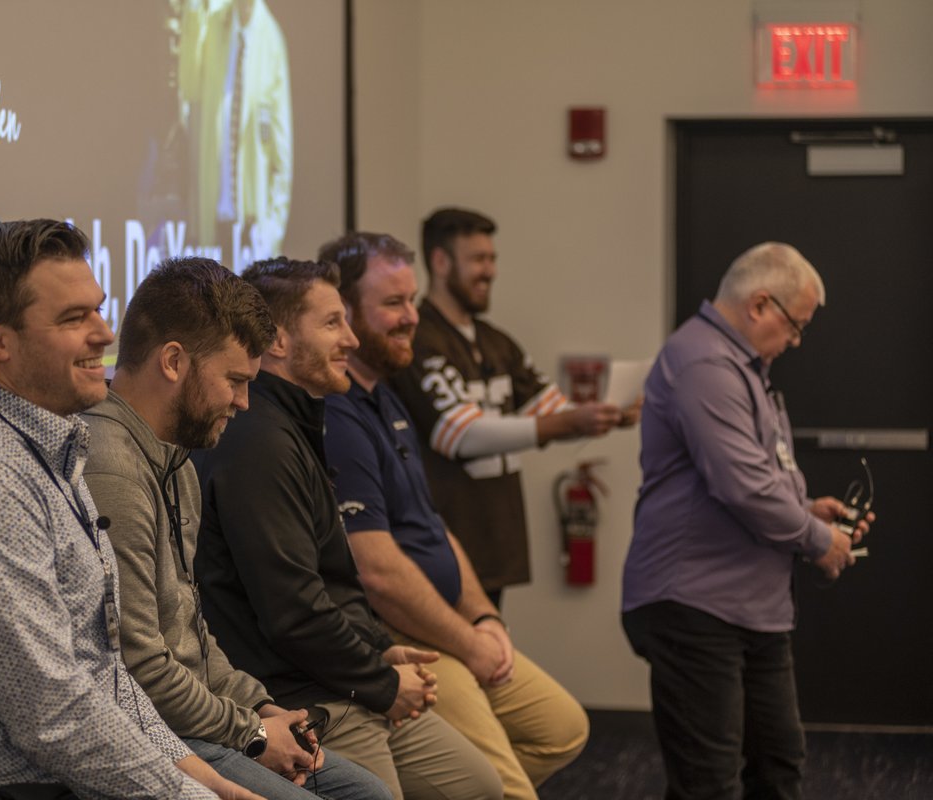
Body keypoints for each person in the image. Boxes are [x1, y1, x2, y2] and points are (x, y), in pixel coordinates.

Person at [0, 220, 249, 800]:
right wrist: (191, 797)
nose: (105, 333)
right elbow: (52, 711)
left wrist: (207, 782)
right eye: (73, 319)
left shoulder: (46, 448)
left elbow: (104, 675)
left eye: (98, 310)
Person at [192, 257, 503, 800]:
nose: (352, 340)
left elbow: (333, 580)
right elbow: (294, 612)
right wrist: (381, 682)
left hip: (346, 677)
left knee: (479, 786)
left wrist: (381, 651)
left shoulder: (297, 423)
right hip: (306, 694)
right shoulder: (261, 442)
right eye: (333, 323)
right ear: (279, 340)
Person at [82, 257, 391, 800]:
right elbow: (139, 666)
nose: (244, 402)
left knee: (367, 793)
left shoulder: (175, 460)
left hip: (202, 721)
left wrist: (262, 708)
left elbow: (193, 636)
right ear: (173, 362)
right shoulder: (111, 467)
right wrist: (251, 732)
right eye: (235, 381)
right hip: (158, 734)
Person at [318, 233, 590, 800]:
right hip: (406, 635)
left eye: (411, 299)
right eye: (392, 303)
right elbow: (376, 571)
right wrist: (467, 643)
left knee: (563, 729)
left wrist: (485, 617)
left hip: (453, 623)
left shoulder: (387, 398)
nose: (412, 317)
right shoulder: (336, 415)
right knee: (501, 789)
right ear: (344, 314)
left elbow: (432, 526)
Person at [621, 242, 872, 799]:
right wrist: (817, 540)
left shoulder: (742, 366)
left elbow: (755, 474)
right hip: (696, 604)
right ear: (760, 304)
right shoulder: (704, 363)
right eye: (796, 326)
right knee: (708, 783)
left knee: (778, 766)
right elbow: (745, 487)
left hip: (751, 607)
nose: (796, 341)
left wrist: (807, 510)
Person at [389, 208, 639, 606]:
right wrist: (566, 424)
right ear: (440, 262)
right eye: (478, 259)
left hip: (493, 547)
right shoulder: (420, 342)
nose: (490, 271)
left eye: (492, 259)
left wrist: (611, 415)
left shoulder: (496, 341)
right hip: (439, 549)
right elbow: (459, 433)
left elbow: (552, 409)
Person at [178, 0, 292, 262]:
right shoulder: (214, 22)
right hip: (212, 224)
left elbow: (281, 149)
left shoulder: (271, 39)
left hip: (251, 231)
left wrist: (271, 232)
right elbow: (190, 85)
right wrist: (194, 7)